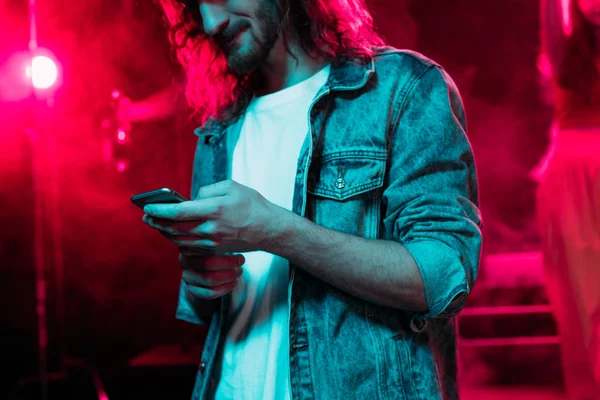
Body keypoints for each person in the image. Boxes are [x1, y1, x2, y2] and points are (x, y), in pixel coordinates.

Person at [142, 0, 482, 399]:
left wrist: (274, 230)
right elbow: (212, 313)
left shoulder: (403, 89)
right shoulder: (219, 131)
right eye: (196, 5)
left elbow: (442, 277)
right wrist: (202, 280)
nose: (211, 21)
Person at [536, 0, 600, 398]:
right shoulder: (564, 46)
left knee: (581, 301)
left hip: (577, 162)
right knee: (579, 301)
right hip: (576, 162)